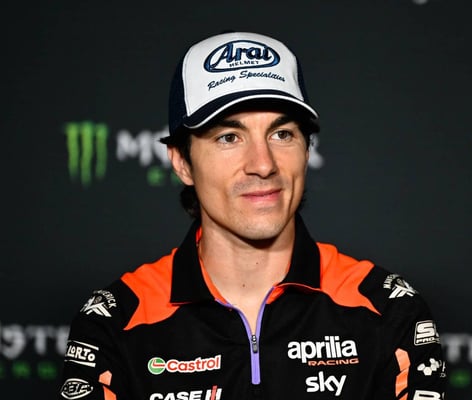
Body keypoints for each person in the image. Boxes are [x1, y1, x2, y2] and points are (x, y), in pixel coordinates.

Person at [59, 31, 447, 400]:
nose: (263, 164)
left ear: (307, 150)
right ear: (182, 163)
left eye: (282, 134)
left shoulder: (387, 309)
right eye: (229, 137)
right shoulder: (116, 322)